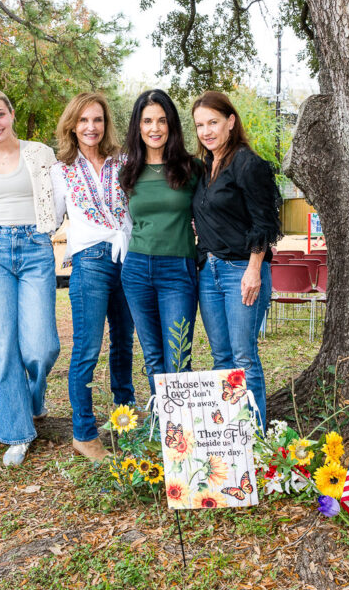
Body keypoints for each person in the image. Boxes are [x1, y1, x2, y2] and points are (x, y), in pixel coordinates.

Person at [0, 88, 60, 466]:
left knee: (42, 347)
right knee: (4, 345)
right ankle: (18, 433)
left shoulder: (40, 153)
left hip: (36, 247)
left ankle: (34, 395)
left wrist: (53, 231)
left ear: (11, 114)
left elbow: (59, 197)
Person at [51, 93, 135, 460]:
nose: (91, 127)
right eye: (83, 120)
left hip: (128, 259)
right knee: (87, 348)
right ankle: (84, 433)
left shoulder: (124, 161)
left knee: (124, 343)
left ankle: (125, 421)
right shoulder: (60, 170)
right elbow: (51, 218)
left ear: (106, 123)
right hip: (90, 261)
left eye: (97, 119)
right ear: (72, 125)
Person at [191, 91, 282, 428]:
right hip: (208, 271)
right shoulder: (204, 167)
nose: (206, 131)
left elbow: (265, 222)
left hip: (242, 271)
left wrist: (254, 270)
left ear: (230, 121)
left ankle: (254, 435)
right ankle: (230, 434)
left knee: (244, 357)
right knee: (221, 357)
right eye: (200, 125)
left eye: (213, 122)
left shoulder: (247, 164)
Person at [119, 89, 200, 396]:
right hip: (137, 269)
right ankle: (163, 420)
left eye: (162, 121)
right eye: (147, 121)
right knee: (153, 357)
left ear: (171, 125)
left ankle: (182, 421)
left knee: (178, 358)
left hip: (178, 270)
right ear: (138, 127)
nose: (155, 128)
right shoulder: (128, 172)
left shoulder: (192, 169)